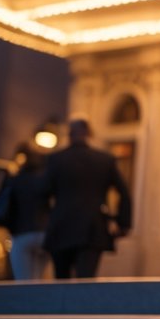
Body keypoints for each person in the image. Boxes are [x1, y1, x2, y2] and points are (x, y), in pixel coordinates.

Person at [41, 119, 133, 279]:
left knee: (61, 281)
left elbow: (42, 193)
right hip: (92, 227)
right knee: (85, 281)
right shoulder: (104, 160)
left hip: (61, 225)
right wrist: (122, 223)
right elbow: (124, 193)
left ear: (69, 134)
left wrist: (48, 217)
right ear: (88, 134)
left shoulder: (55, 160)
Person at [6, 143, 51, 280]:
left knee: (23, 281)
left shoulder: (16, 180)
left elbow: (7, 207)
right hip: (45, 234)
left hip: (23, 233)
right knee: (37, 280)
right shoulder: (45, 179)